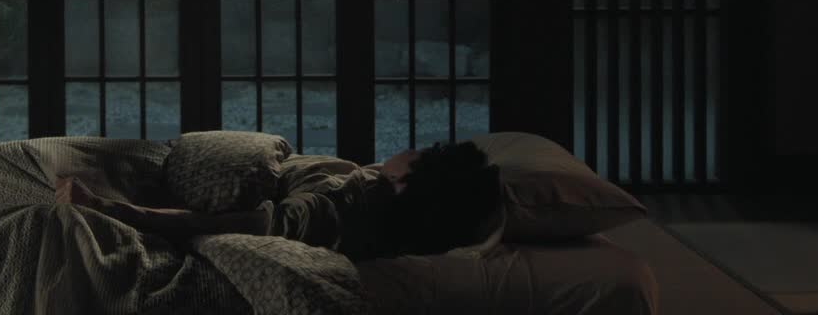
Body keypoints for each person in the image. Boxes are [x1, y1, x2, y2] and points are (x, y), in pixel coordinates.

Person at [56, 142, 504, 261]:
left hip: (167, 182)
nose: (408, 148)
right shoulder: (370, 186)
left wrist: (113, 210)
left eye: (420, 151)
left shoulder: (340, 207)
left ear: (406, 180)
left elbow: (239, 225)